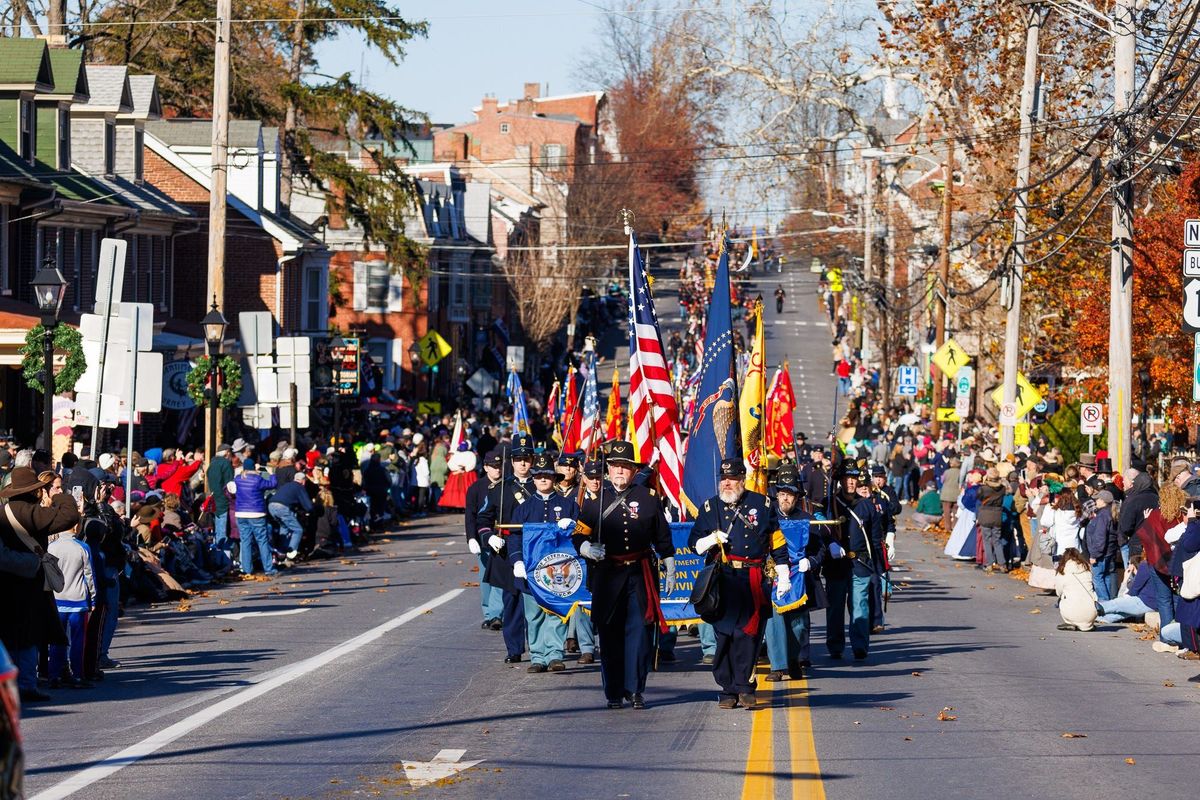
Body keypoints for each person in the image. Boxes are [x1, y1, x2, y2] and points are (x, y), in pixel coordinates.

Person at [572, 440, 673, 710]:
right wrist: (585, 547)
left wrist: (670, 562)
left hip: (640, 575)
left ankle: (636, 689)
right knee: (610, 635)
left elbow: (662, 536)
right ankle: (614, 692)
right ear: (608, 471)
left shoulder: (648, 498)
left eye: (625, 467)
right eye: (615, 466)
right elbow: (579, 534)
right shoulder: (595, 502)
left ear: (633, 471)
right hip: (608, 575)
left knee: (639, 634)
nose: (619, 471)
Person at [689, 458, 791, 709]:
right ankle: (727, 689)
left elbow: (776, 541)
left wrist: (784, 572)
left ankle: (745, 687)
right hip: (722, 579)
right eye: (723, 479)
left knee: (748, 635)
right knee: (724, 635)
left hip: (752, 578)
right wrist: (709, 540)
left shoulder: (762, 504)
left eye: (732, 479)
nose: (727, 483)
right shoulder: (710, 508)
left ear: (742, 480)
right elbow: (693, 543)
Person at [0, 467, 82, 702]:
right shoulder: (32, 513)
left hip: (4, 582)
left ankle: (10, 683)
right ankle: (26, 684)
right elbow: (69, 516)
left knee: (8, 634)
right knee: (27, 635)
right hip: (29, 582)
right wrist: (58, 494)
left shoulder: (2, 512)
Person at [509, 454, 579, 673]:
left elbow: (580, 535)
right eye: (538, 476)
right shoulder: (524, 509)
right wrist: (516, 560)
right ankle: (538, 656)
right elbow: (514, 536)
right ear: (533, 479)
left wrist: (573, 525)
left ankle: (555, 654)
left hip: (559, 570)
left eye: (547, 476)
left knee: (555, 612)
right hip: (531, 570)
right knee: (534, 614)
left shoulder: (568, 505)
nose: (542, 480)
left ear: (554, 478)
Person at [474, 434, 536, 663]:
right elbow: (483, 519)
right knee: (511, 601)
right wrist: (489, 537)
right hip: (507, 548)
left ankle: (541, 649)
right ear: (512, 461)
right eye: (518, 459)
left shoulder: (542, 484)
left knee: (537, 602)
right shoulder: (499, 489)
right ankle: (514, 648)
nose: (522, 464)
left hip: (535, 549)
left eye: (527, 459)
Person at [764, 465, 825, 682]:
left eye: (789, 494)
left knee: (798, 625)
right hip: (773, 577)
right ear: (776, 494)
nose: (785, 499)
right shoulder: (766, 516)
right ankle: (777, 666)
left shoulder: (807, 519)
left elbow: (820, 549)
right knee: (774, 622)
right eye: (782, 494)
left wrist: (811, 561)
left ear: (797, 496)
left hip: (800, 579)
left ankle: (794, 661)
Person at [826, 463, 883, 660]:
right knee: (835, 607)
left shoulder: (866, 505)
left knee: (860, 605)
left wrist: (879, 567)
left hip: (860, 563)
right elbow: (822, 532)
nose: (851, 481)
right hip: (836, 565)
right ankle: (835, 646)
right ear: (840, 480)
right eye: (847, 477)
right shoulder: (830, 503)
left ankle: (860, 645)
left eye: (854, 477)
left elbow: (875, 538)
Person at [47, 510, 96, 689]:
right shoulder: (82, 547)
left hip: (58, 599)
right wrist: (93, 599)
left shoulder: (52, 547)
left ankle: (54, 674)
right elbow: (89, 575)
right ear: (76, 526)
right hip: (78, 600)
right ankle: (77, 675)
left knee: (57, 639)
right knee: (77, 640)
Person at [465, 450, 505, 630]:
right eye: (494, 467)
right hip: (484, 538)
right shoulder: (476, 488)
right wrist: (471, 538)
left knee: (501, 577)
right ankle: (489, 614)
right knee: (485, 578)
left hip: (503, 538)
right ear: (486, 467)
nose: (497, 470)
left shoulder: (508, 486)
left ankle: (497, 614)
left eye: (500, 466)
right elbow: (470, 515)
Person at [228, 460, 279, 579]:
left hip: (241, 513)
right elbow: (272, 484)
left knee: (245, 541)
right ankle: (268, 569)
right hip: (256, 513)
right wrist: (271, 473)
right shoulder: (258, 479)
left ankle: (247, 570)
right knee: (262, 540)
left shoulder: (238, 479)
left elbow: (232, 489)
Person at [269, 471, 313, 562]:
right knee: (298, 530)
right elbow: (308, 506)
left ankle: (281, 552)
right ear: (303, 481)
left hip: (271, 505)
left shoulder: (287, 485)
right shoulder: (299, 487)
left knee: (284, 527)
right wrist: (312, 510)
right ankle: (291, 553)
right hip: (282, 507)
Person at [1084, 490, 1118, 601]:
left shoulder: (1103, 515)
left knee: (1098, 578)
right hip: (1109, 552)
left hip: (1101, 553)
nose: (1095, 501)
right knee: (1106, 576)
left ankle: (1104, 603)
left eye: (1097, 499)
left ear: (1103, 501)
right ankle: (1108, 603)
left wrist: (1094, 555)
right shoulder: (1108, 513)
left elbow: (1100, 537)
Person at [1054, 547, 1098, 632]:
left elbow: (1058, 592)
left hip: (1072, 611)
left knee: (1062, 598)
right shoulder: (1087, 570)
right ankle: (1087, 624)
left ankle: (1070, 622)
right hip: (1091, 612)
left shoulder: (1062, 573)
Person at [977, 467, 1009, 573]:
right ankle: (1002, 564)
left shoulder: (983, 488)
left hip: (985, 514)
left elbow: (978, 497)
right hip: (997, 515)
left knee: (987, 540)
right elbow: (1009, 491)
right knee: (997, 540)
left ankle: (989, 564)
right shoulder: (1002, 489)